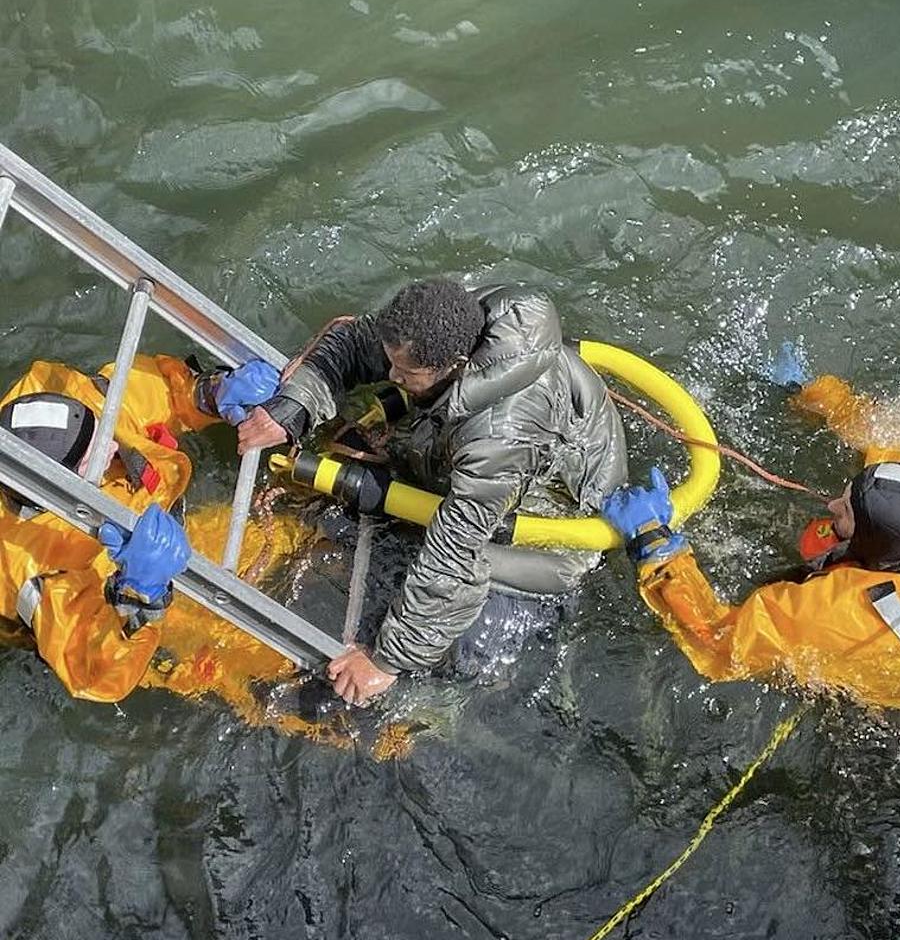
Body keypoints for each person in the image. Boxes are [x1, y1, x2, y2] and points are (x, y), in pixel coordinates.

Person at [238, 278, 629, 704]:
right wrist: (293, 408)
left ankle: (434, 714)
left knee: (467, 658)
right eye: (392, 364)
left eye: (405, 374)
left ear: (456, 365)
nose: (391, 376)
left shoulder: (500, 436)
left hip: (547, 532)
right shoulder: (440, 320)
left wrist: (387, 661)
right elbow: (353, 341)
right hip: (480, 459)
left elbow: (456, 550)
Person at [602, 373, 900, 762]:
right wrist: (819, 395)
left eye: (846, 511)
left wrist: (654, 543)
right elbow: (884, 445)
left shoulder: (839, 614)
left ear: (879, 550)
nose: (832, 505)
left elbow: (718, 644)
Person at [0, 353, 279, 702]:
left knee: (281, 532)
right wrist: (141, 592)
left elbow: (150, 389)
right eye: (95, 457)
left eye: (102, 434)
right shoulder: (36, 570)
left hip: (158, 531)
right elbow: (95, 675)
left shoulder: (65, 399)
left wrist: (209, 393)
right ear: (58, 490)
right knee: (255, 668)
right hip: (117, 605)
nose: (115, 447)